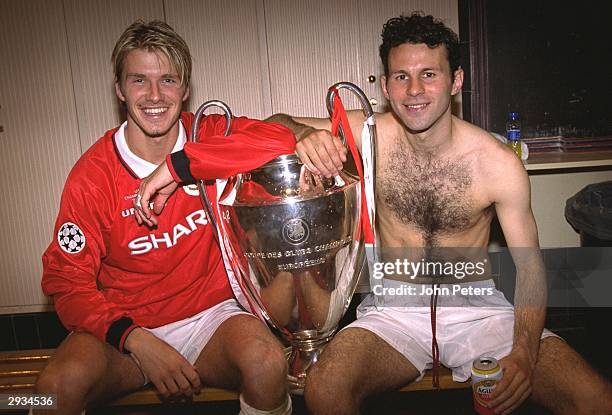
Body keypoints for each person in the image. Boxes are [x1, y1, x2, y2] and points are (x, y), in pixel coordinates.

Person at [265, 12, 612, 415]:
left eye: (429, 74)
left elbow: (531, 269)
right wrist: (306, 135)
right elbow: (271, 124)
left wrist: (523, 353)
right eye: (400, 76)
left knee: (594, 399)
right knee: (325, 388)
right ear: (386, 85)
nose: (414, 90)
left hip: (477, 309)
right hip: (394, 310)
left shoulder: (496, 163)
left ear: (456, 80)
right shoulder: (369, 135)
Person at [36, 20, 295, 415]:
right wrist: (136, 339)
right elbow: (66, 285)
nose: (155, 95)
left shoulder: (209, 134)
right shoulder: (93, 175)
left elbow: (281, 140)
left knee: (268, 363)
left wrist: (182, 166)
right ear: (120, 89)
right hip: (125, 329)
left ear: (185, 89)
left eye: (168, 80)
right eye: (139, 80)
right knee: (51, 392)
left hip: (210, 319)